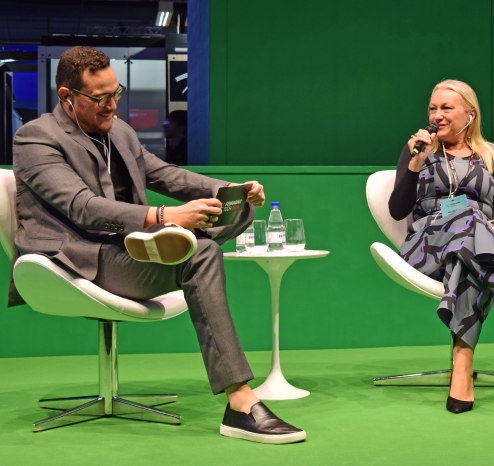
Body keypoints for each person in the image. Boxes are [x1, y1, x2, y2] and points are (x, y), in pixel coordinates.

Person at [11, 47, 305, 444]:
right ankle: (240, 404)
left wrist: (229, 190)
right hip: (78, 260)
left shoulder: (120, 132)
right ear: (67, 97)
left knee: (239, 213)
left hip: (130, 248)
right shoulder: (36, 138)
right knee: (201, 253)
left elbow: (166, 175)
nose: (113, 105)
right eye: (101, 98)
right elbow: (82, 207)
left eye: (117, 93)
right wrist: (165, 218)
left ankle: (174, 245)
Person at [389, 79, 494, 413]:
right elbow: (397, 209)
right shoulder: (417, 151)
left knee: (467, 258)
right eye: (432, 108)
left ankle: (461, 372)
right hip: (426, 244)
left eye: (446, 108)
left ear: (470, 113)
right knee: (468, 217)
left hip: (477, 246)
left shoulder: (492, 156)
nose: (437, 115)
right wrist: (415, 161)